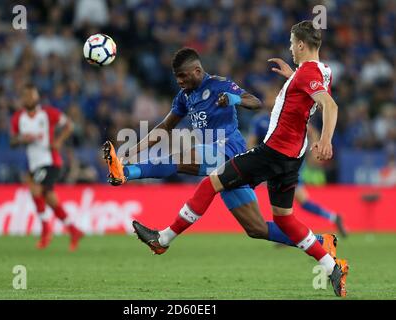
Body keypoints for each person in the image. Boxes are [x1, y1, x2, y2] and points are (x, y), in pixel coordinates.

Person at [131, 21, 349, 297]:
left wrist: (327, 138)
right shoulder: (322, 71)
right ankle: (332, 265)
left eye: (293, 44)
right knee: (284, 219)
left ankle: (163, 239)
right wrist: (292, 76)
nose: (291, 48)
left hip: (274, 151)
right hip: (293, 156)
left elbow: (330, 104)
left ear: (302, 45)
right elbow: (309, 94)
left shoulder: (308, 74)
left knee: (212, 182)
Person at [103, 47, 337, 256]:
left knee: (181, 157)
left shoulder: (219, 84)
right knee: (256, 228)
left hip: (229, 149)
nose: (179, 82)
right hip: (216, 157)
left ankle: (126, 173)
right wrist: (131, 151)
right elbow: (164, 127)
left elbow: (254, 101)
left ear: (196, 71)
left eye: (183, 76)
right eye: (177, 78)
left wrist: (234, 99)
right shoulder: (184, 96)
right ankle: (320, 242)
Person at [248, 89, 347, 237]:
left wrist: (314, 148)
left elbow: (311, 132)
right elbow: (251, 142)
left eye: (271, 96)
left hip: (289, 162)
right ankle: (293, 230)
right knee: (286, 200)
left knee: (295, 200)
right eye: (267, 97)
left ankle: (323, 221)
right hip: (271, 163)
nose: (268, 100)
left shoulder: (287, 116)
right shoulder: (259, 120)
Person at [10, 84, 84, 251]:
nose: (29, 98)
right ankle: (73, 230)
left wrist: (58, 141)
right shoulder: (17, 118)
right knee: (49, 196)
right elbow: (12, 141)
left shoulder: (48, 113)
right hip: (34, 163)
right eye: (26, 96)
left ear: (37, 97)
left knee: (35, 189)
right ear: (22, 99)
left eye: (32, 95)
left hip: (51, 161)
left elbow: (69, 125)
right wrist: (22, 139)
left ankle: (46, 231)